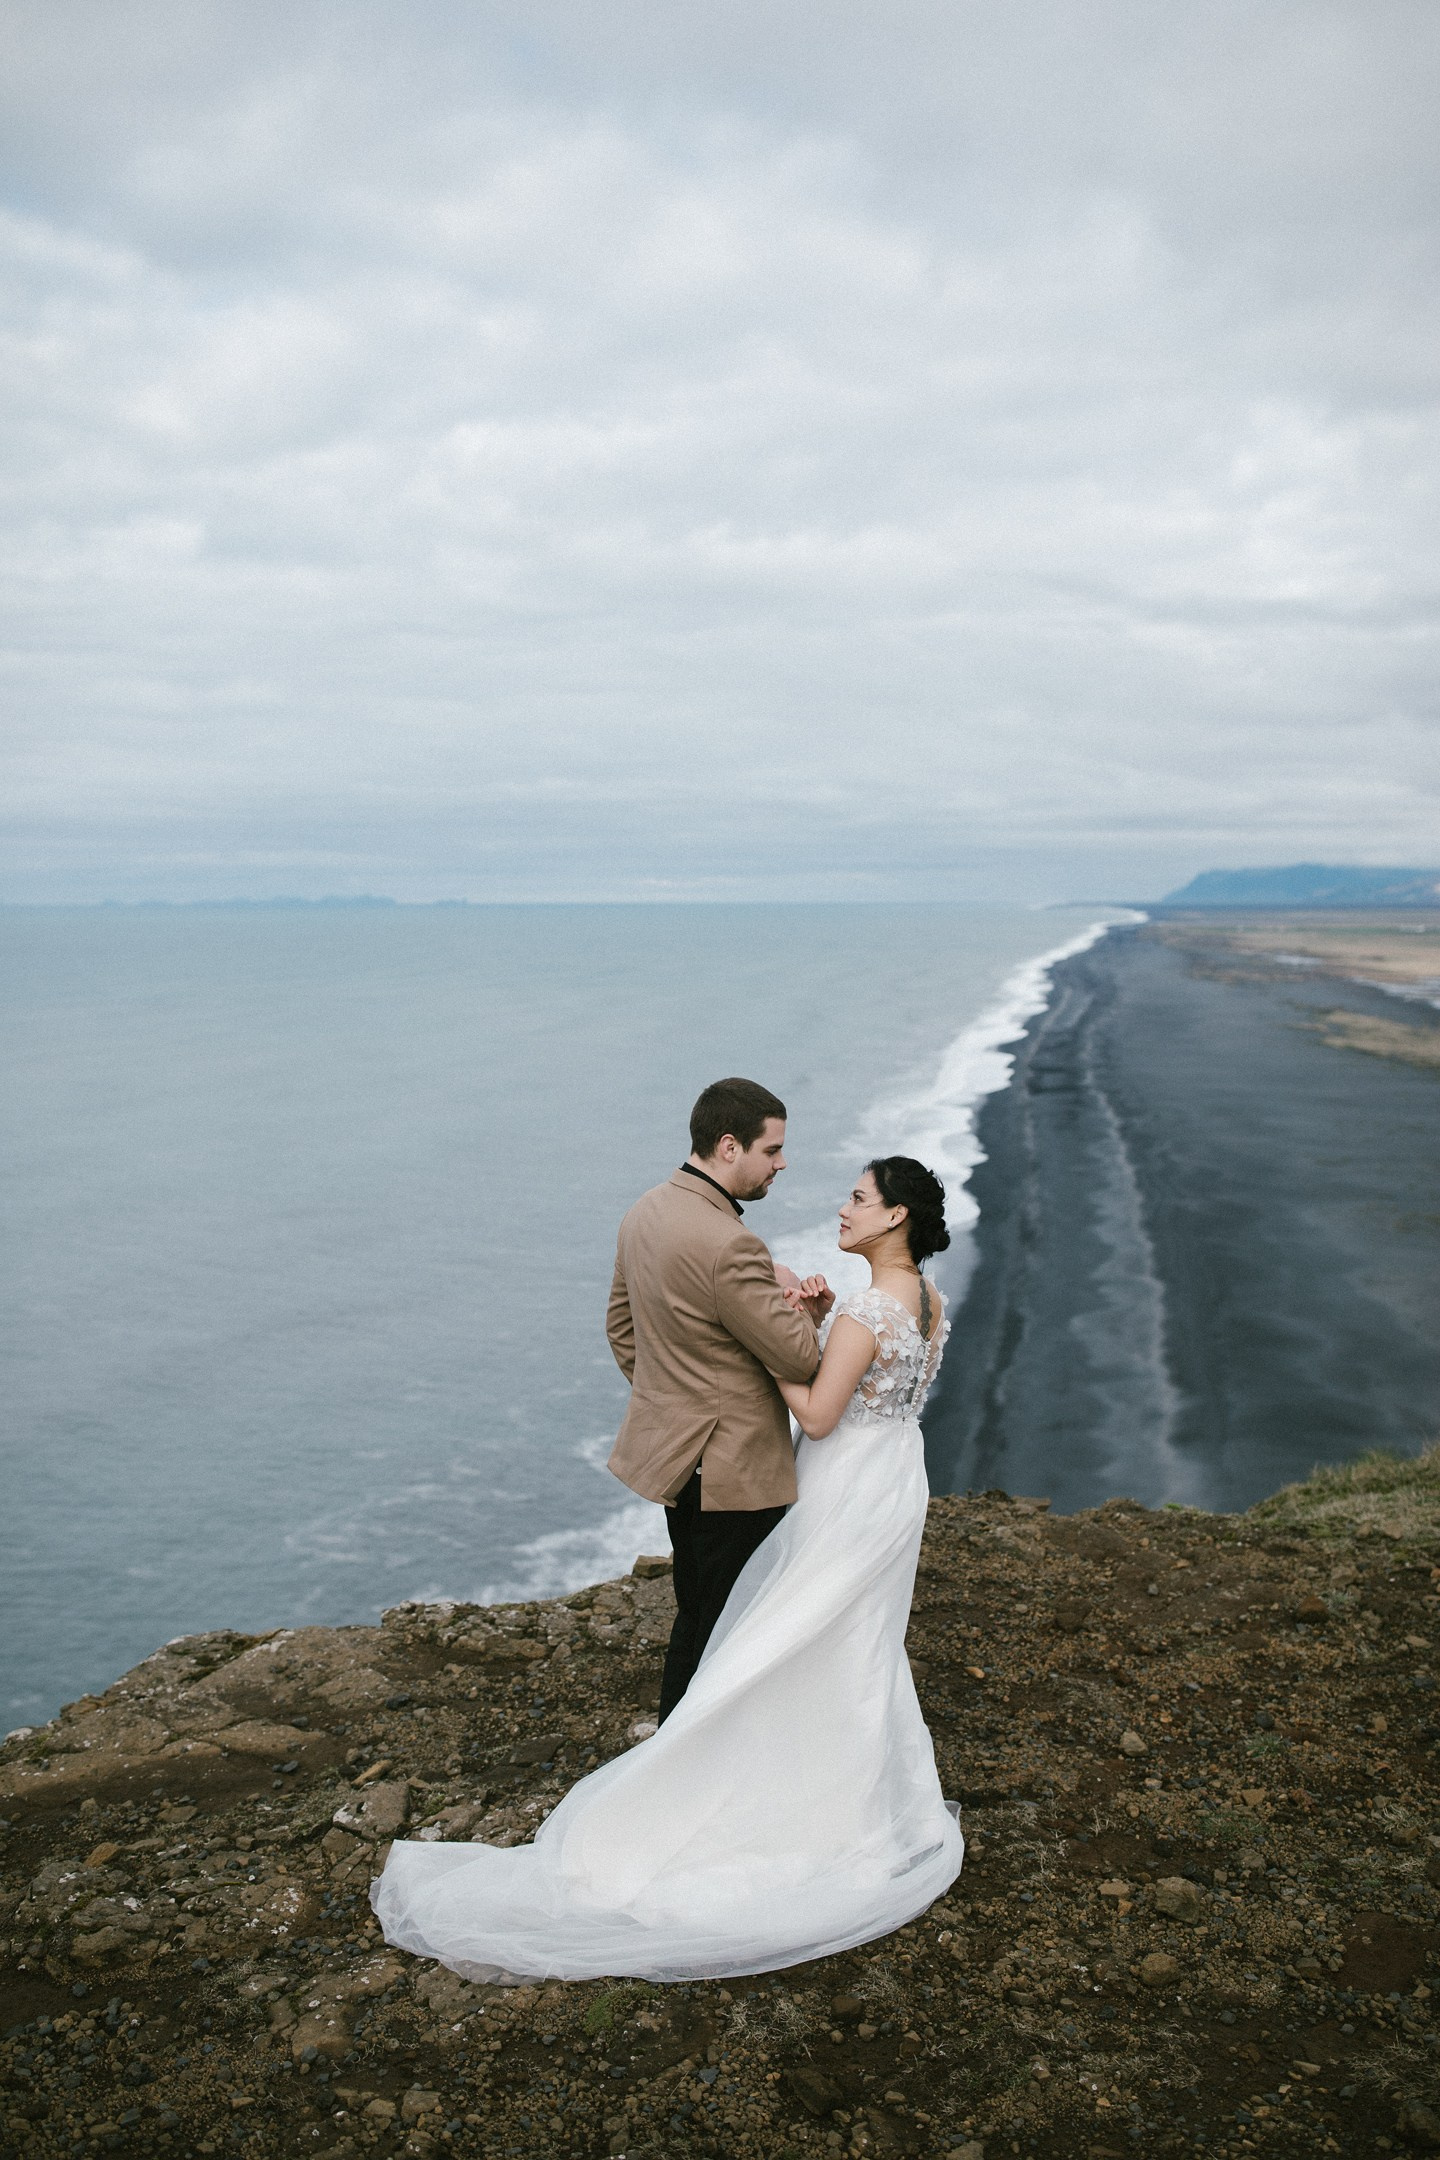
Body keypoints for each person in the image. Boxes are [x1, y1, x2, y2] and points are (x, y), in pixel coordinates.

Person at [369, 1135, 963, 1983]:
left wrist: (769, 1343)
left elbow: (823, 1414)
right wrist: (817, 1324)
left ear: (895, 1215)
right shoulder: (928, 1298)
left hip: (843, 1483)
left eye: (859, 1199)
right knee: (855, 1638)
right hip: (897, 1481)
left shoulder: (872, 1310)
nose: (843, 1207)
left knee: (785, 1630)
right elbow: (883, 1389)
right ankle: (861, 1794)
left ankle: (727, 1773)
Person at [604, 1076, 832, 1720]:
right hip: (734, 1471)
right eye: (773, 1150)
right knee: (729, 1622)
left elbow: (622, 1331)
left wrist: (674, 1403)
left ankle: (678, 1745)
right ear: (729, 1147)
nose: (782, 1164)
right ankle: (689, 1759)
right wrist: (805, 1308)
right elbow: (798, 1359)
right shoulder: (731, 1244)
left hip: (680, 1464)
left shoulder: (644, 1211)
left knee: (697, 1609)